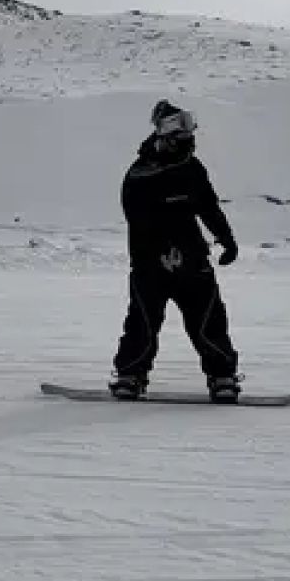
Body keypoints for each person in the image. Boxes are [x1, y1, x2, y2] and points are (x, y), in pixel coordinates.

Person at [110, 100, 241, 402]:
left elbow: (208, 206)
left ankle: (222, 375)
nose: (187, 145)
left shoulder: (192, 169)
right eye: (179, 139)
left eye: (189, 138)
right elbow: (138, 220)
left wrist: (226, 239)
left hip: (192, 259)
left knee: (209, 318)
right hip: (150, 261)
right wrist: (162, 251)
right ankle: (131, 374)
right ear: (162, 138)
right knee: (142, 320)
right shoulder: (139, 175)